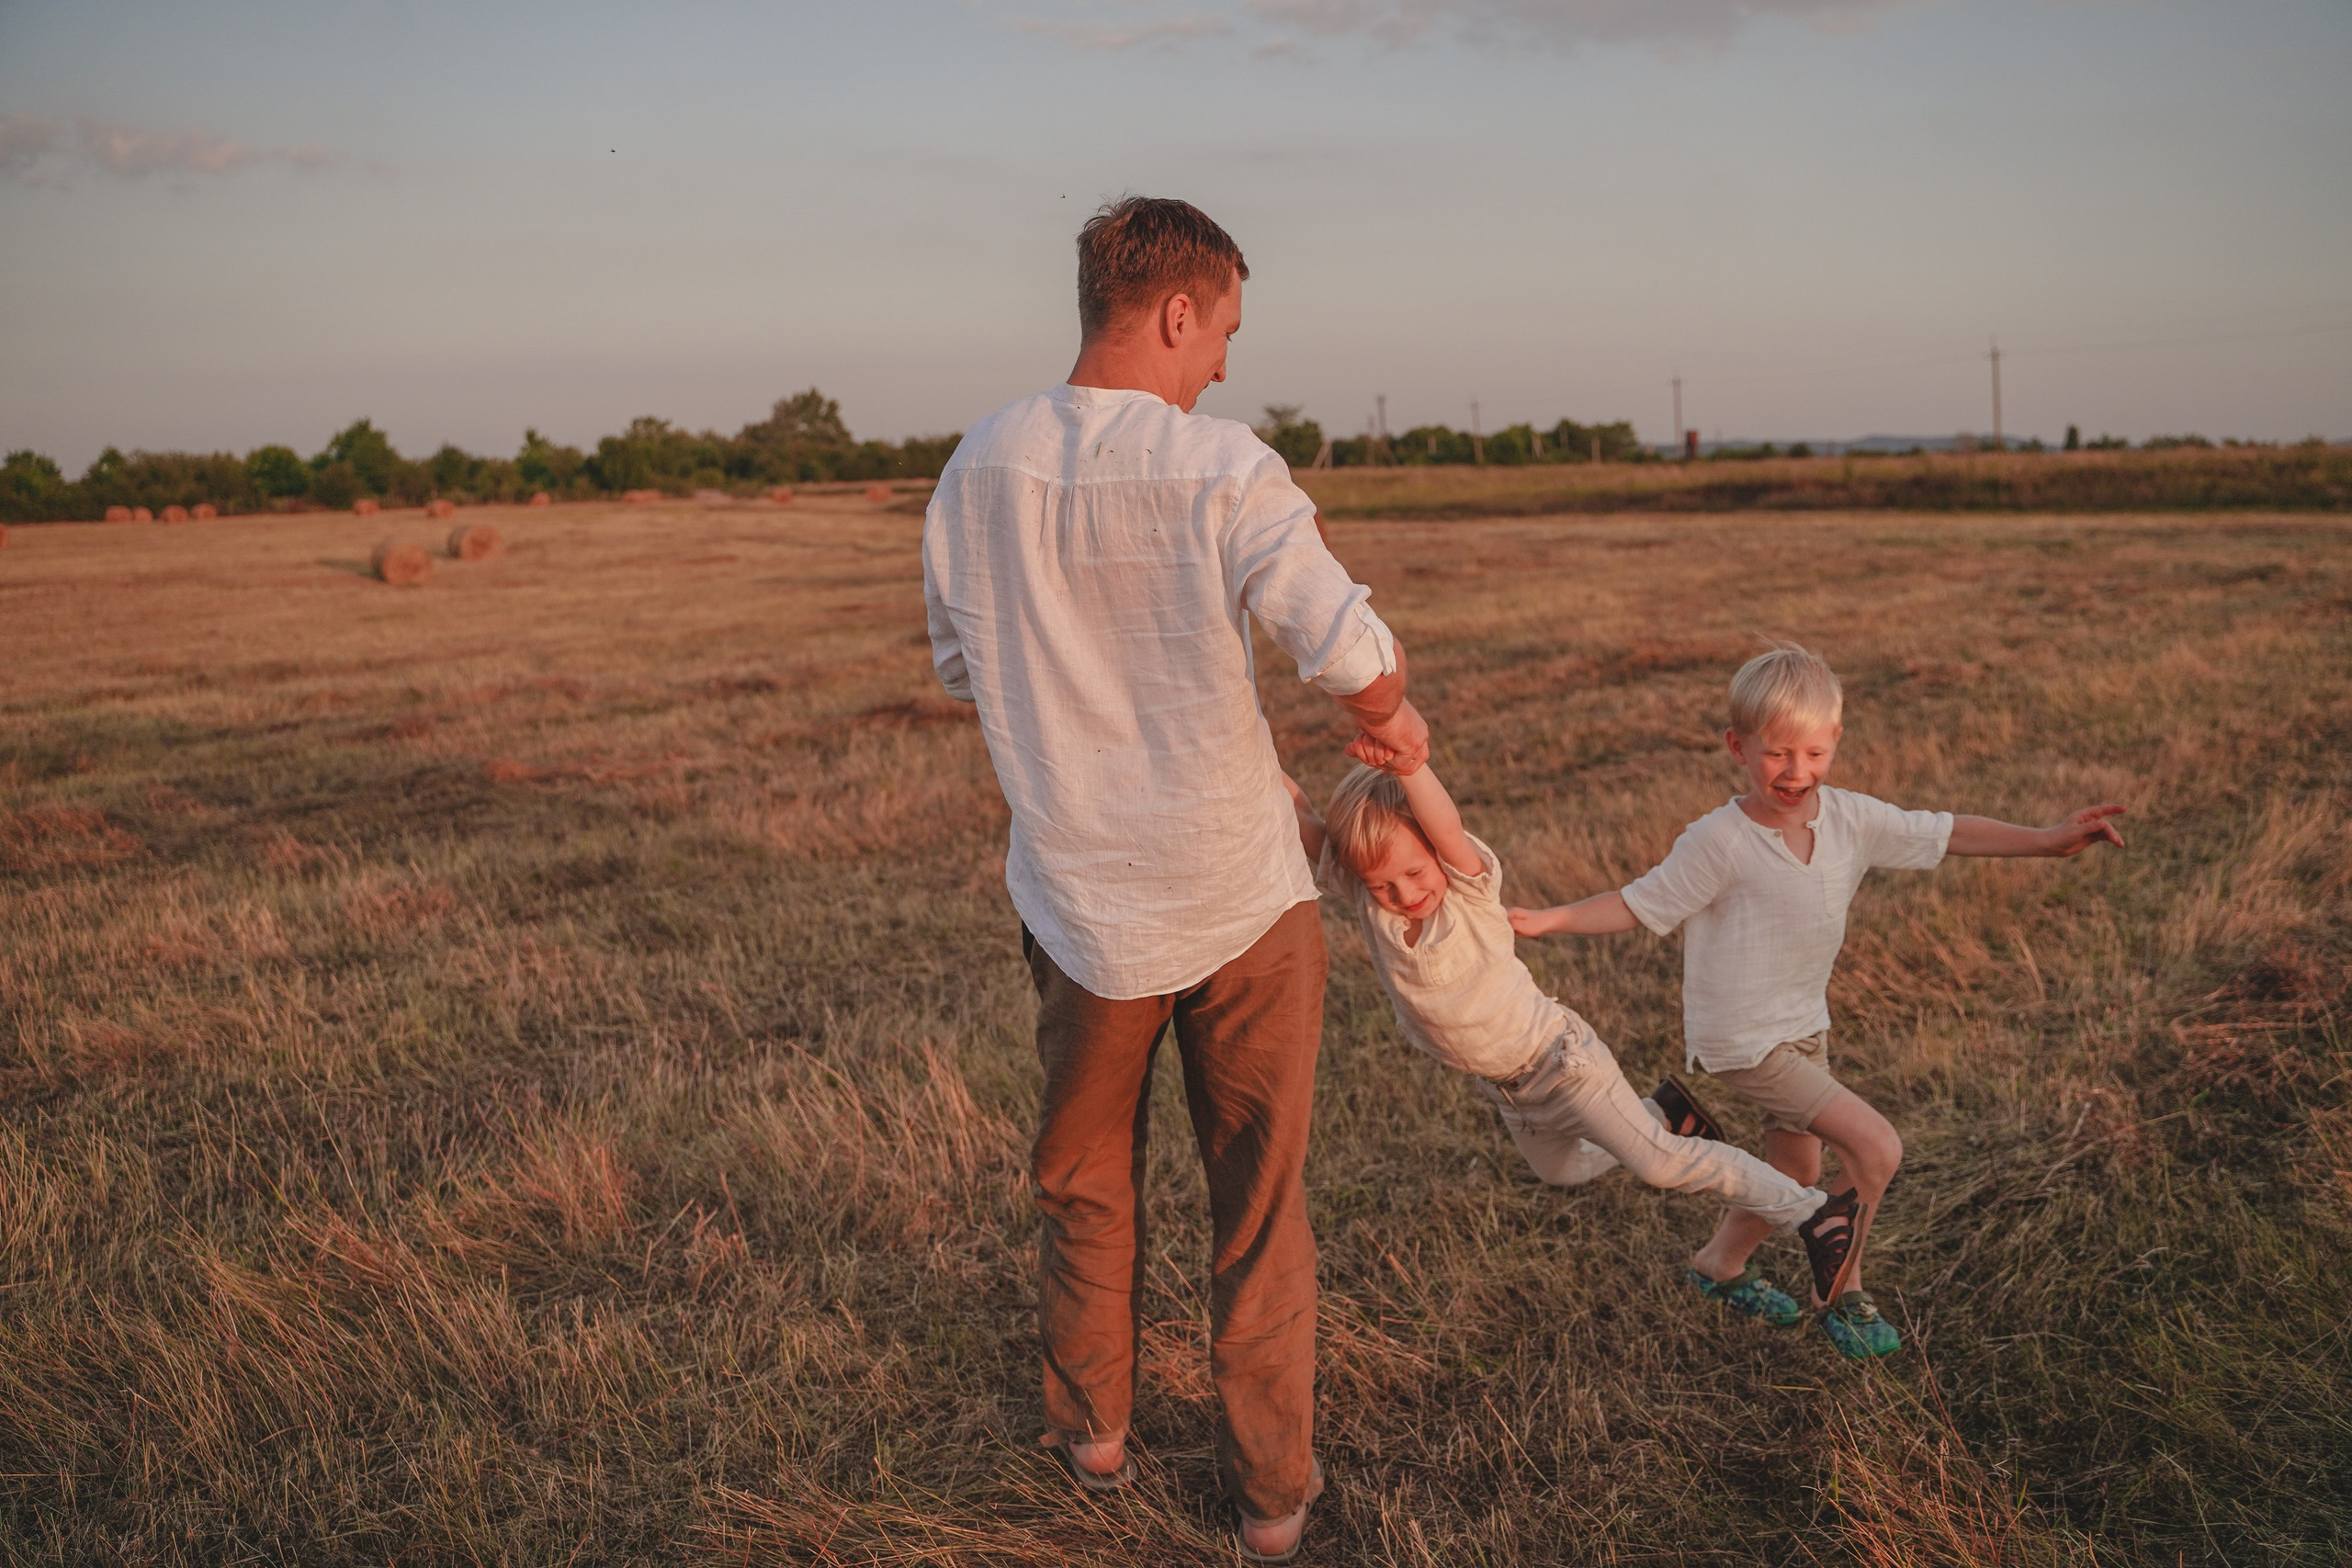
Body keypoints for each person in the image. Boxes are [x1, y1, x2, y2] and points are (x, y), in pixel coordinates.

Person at [922, 196, 1428, 1563]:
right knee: (1256, 1199)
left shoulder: (975, 469)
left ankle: (1092, 1431)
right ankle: (1270, 1497)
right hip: (1242, 900)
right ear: (1176, 311)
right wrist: (1397, 715)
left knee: (1083, 1174)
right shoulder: (1221, 463)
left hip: (1077, 903)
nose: (1224, 369)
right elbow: (1347, 647)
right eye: (1224, 335)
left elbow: (964, 668)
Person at [1509, 644, 2126, 1358]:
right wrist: (1546, 919)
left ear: (1835, 742)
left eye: (1812, 752)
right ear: (1738, 747)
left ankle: (1719, 1265)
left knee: (1796, 1173)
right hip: (1745, 1039)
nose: (1795, 772)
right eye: (1775, 754)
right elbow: (1639, 902)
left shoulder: (1852, 821)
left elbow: (1947, 830)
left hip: (1803, 1026)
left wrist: (2048, 841)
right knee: (1876, 1147)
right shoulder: (1720, 840)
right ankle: (1844, 1295)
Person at [1290, 758, 1862, 1325]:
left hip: (1563, 1064)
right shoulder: (1371, 897)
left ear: (1440, 852)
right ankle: (1661, 1113)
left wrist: (1409, 763)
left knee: (1659, 1165)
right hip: (1512, 1093)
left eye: (1415, 872)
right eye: (1383, 884)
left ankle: (1815, 1214)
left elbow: (1438, 819)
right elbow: (1302, 817)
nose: (1403, 891)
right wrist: (1246, 748)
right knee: (1560, 1172)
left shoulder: (1467, 890)